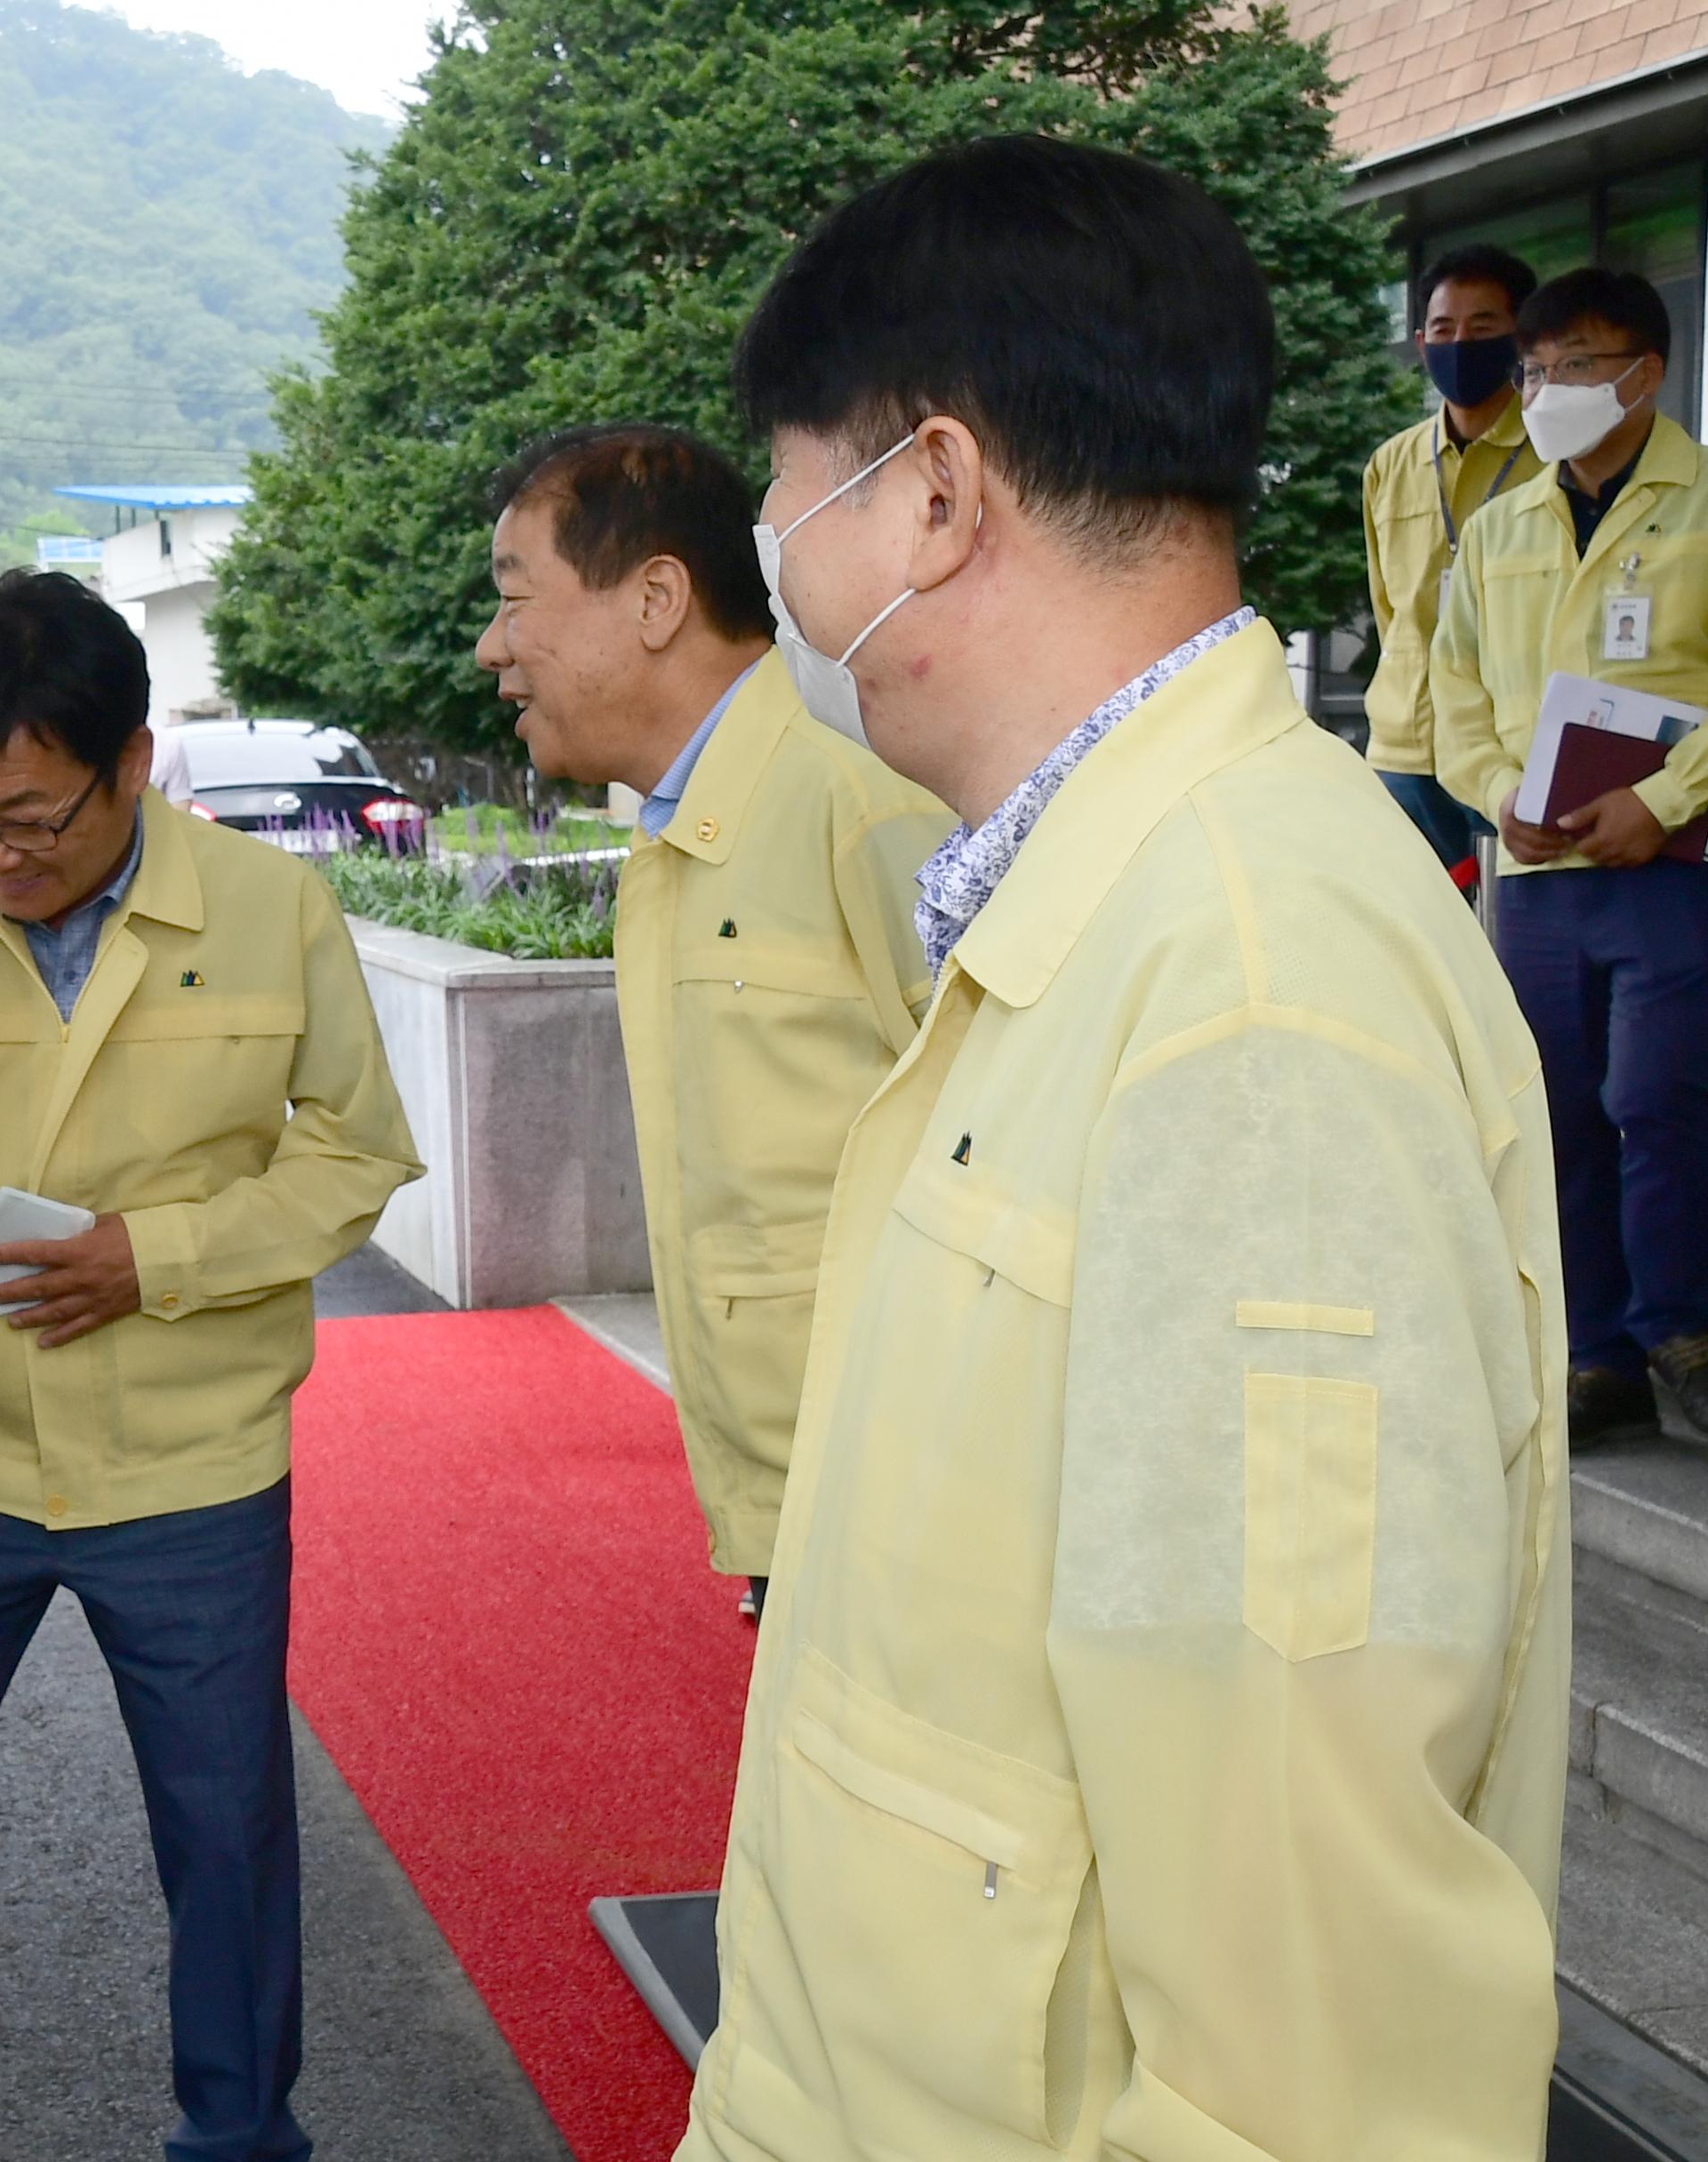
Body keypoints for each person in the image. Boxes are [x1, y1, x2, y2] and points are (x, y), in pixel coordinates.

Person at [679, 137, 1568, 2162]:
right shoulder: (1109, 902)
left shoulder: (1251, 993)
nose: (774, 558)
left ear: (929, 487)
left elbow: (1311, 1997)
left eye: (788, 488)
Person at [0, 569, 420, 2162]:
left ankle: (238, 2135)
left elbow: (353, 1152)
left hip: (187, 1466)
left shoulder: (272, 909)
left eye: (31, 818)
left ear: (134, 763)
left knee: (225, 1838)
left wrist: (159, 1255)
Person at [474, 423, 949, 1622]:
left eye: (514, 598)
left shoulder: (860, 798)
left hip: (905, 1506)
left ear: (655, 600)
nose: (492, 650)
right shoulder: (678, 827)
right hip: (794, 1503)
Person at [1432, 262, 1708, 1450]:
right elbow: (1455, 702)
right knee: (1554, 1114)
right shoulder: (1498, 530)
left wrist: (1665, 796)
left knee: (1663, 1099)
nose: (1547, 389)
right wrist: (1498, 795)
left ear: (1646, 374)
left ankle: (1682, 1335)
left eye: (1576, 368)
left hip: (1671, 870)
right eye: (1535, 370)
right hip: (1537, 878)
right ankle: (1592, 1350)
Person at [1362, 244, 1540, 880]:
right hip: (1404, 749)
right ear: (1419, 340)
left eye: (1483, 327)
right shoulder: (1391, 464)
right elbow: (1389, 608)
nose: (1460, 342)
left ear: (1520, 338)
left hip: (1512, 750)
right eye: (1443, 329)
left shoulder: (1554, 457)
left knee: (1512, 953)